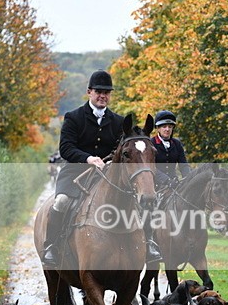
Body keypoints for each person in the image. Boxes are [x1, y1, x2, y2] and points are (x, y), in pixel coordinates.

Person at [41, 70, 161, 268]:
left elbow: (123, 149)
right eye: (99, 91)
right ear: (89, 92)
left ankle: (149, 243)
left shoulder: (118, 121)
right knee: (61, 202)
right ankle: (52, 246)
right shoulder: (74, 117)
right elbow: (66, 148)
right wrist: (88, 158)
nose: (103, 96)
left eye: (107, 92)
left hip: (107, 173)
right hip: (75, 173)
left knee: (142, 202)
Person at [150, 110, 191, 188]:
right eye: (164, 126)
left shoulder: (177, 144)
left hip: (174, 184)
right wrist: (167, 180)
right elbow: (151, 167)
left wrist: (188, 179)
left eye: (170, 126)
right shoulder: (151, 143)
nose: (167, 129)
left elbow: (183, 165)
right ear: (158, 128)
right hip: (155, 185)